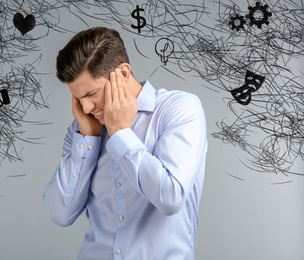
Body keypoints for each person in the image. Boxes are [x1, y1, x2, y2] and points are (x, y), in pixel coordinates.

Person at [43, 26, 207, 260]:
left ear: (122, 73)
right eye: (78, 98)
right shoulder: (84, 128)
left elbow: (170, 198)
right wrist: (87, 138)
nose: (86, 107)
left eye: (91, 94)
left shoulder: (179, 110)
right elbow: (60, 213)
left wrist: (120, 131)